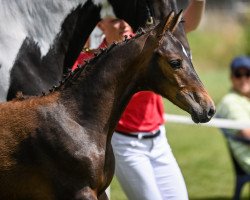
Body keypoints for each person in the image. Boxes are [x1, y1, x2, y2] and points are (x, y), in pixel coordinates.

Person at [72, 1, 206, 199]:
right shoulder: (89, 62)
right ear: (100, 25)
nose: (125, 25)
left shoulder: (148, 47)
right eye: (116, 20)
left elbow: (187, 25)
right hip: (125, 146)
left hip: (159, 141)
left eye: (128, 20)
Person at [216, 56, 250, 174]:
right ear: (231, 78)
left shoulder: (246, 99)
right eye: (238, 75)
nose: (243, 79)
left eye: (248, 74)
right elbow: (247, 133)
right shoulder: (230, 101)